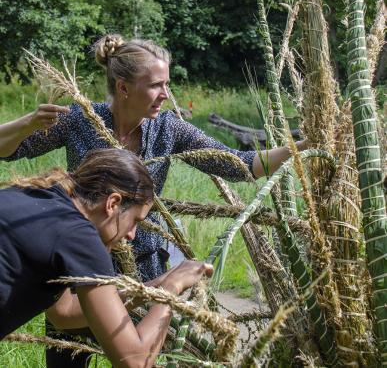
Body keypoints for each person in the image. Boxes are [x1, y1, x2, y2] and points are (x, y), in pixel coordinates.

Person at [0, 34, 307, 367]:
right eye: (156, 85)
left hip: (142, 265)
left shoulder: (169, 129)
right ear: (123, 88)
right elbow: (10, 149)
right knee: (68, 355)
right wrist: (27, 123)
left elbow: (238, 164)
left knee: (141, 350)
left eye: (167, 84)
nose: (165, 94)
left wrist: (300, 147)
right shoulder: (80, 120)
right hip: (75, 256)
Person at [0, 148, 213, 368]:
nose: (131, 235)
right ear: (113, 204)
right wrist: (172, 287)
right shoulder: (81, 237)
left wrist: (152, 289)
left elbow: (64, 313)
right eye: (135, 220)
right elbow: (136, 362)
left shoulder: (39, 196)